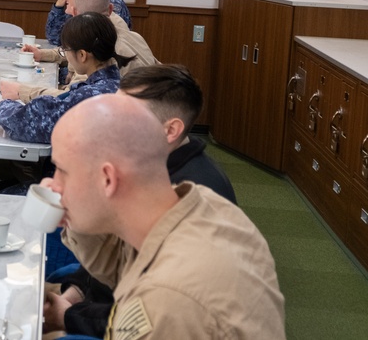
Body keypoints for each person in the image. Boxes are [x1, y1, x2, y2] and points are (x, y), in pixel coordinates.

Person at [44, 93, 285, 339]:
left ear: (108, 179)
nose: (53, 184)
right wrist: (75, 217)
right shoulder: (197, 203)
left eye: (62, 171)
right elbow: (117, 264)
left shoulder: (165, 300)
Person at [5, 0, 156, 102]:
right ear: (110, 9)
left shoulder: (100, 55)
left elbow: (70, 101)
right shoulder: (133, 36)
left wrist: (22, 91)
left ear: (76, 13)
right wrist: (44, 54)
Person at [0, 12, 123, 144]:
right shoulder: (116, 82)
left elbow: (28, 124)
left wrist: (2, 106)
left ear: (82, 55)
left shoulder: (90, 97)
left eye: (65, 50)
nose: (65, 54)